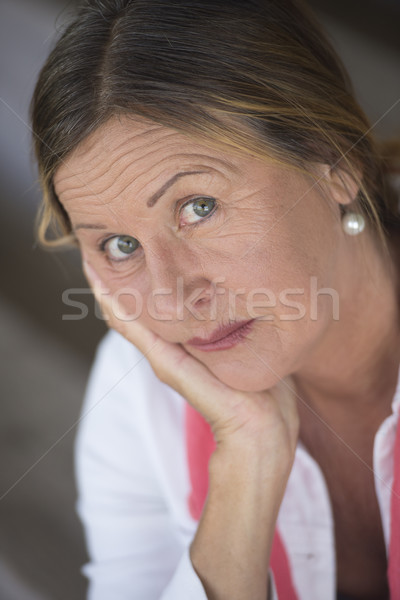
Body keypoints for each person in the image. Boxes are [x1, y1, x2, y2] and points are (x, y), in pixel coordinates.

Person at [30, 0, 400, 598]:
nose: (173, 300)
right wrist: (247, 459)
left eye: (199, 207)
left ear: (334, 159)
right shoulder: (139, 393)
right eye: (120, 245)